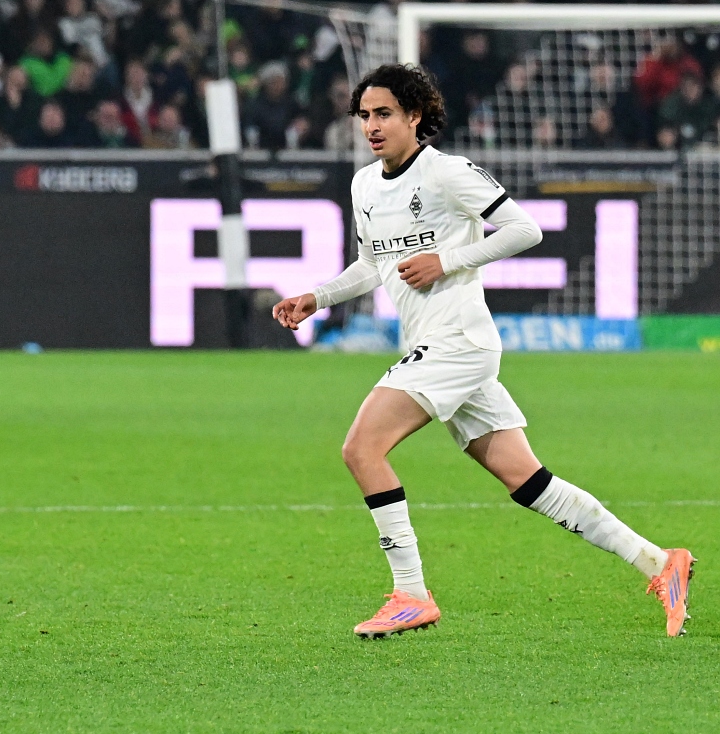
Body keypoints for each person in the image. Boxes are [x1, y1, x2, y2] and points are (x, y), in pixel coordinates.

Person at [272, 64, 694, 639]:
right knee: (528, 481)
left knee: (362, 448)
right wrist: (317, 296)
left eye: (384, 114)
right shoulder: (365, 184)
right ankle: (659, 562)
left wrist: (446, 261)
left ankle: (410, 594)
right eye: (365, 115)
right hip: (436, 346)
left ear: (414, 116)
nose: (371, 126)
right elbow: (373, 264)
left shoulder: (447, 173)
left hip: (458, 342)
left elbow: (525, 230)